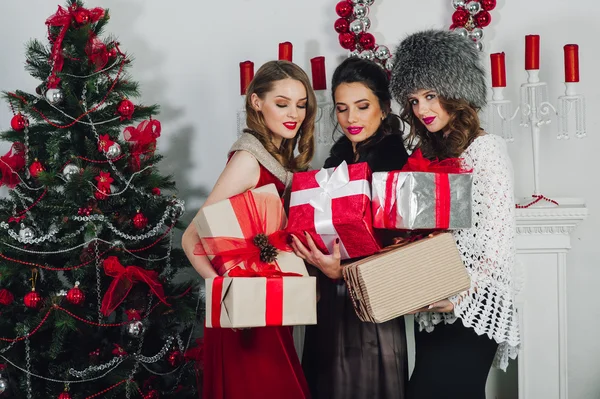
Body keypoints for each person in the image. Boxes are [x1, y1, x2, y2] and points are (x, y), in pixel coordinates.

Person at [389, 29, 521, 399]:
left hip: (471, 303)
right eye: (413, 100)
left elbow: (496, 241)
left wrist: (461, 297)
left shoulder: (485, 150)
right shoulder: (428, 156)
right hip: (435, 302)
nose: (421, 110)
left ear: (456, 91)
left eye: (430, 96)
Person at [181, 60, 316, 399]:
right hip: (245, 309)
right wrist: (224, 291)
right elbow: (191, 237)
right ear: (257, 102)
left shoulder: (278, 158)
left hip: (269, 301)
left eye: (300, 105)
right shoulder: (248, 159)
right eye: (281, 103)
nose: (293, 114)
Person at [291, 57, 410, 399]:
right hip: (327, 301)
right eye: (342, 109)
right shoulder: (332, 167)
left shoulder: (398, 168)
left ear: (385, 107)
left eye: (362, 106)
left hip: (371, 306)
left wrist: (342, 270)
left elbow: (404, 255)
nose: (351, 119)